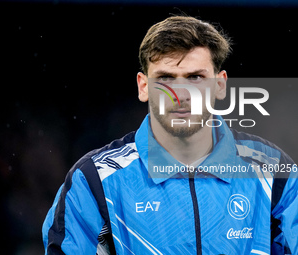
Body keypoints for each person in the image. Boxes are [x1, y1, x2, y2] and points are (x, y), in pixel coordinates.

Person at [42, 15, 298, 255]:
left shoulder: (275, 172)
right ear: (143, 87)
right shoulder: (95, 179)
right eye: (165, 78)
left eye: (195, 77)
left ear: (220, 85)